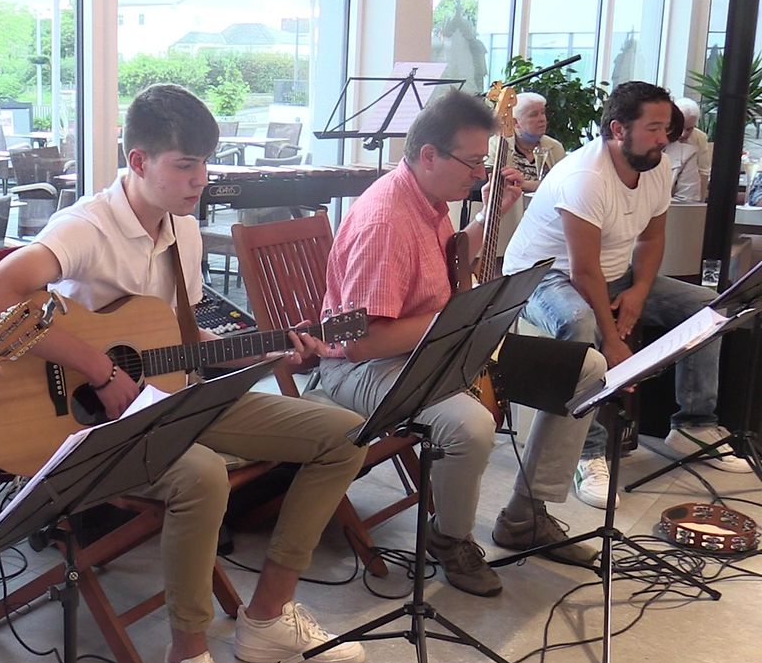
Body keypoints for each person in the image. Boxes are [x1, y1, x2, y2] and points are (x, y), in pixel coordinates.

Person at [0, 84, 370, 663]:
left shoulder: (183, 230)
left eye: (205, 163)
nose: (199, 179)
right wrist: (99, 367)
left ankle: (267, 615)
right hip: (79, 424)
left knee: (347, 434)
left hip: (167, 399)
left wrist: (273, 351)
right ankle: (187, 653)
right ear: (138, 161)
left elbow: (183, 340)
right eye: (184, 165)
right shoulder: (86, 227)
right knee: (202, 475)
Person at [318, 89, 605, 598]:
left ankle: (525, 514)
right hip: (366, 367)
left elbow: (447, 261)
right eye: (472, 162)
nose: (479, 173)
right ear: (429, 155)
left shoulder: (429, 200)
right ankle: (449, 539)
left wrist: (488, 217)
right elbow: (362, 343)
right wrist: (459, 321)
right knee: (470, 424)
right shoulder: (385, 220)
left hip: (438, 343)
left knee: (587, 369)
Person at [503, 81, 753, 512]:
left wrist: (638, 290)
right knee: (579, 322)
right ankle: (587, 453)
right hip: (542, 277)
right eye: (654, 128)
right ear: (619, 129)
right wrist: (614, 341)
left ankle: (694, 424)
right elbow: (583, 271)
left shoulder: (655, 165)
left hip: (614, 275)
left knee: (704, 307)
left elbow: (652, 240)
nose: (664, 138)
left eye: (666, 128)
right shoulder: (585, 177)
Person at [486, 91, 568, 265]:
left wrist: (525, 184)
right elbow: (496, 182)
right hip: (509, 221)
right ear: (515, 122)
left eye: (543, 113)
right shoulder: (497, 144)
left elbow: (563, 186)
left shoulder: (554, 147)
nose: (542, 119)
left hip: (545, 222)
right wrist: (537, 185)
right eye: (533, 115)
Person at [674, 97, 712, 200]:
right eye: (680, 127)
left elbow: (703, 172)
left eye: (689, 129)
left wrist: (699, 203)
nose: (683, 134)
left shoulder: (700, 138)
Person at [665, 102, 702, 202]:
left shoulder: (690, 152)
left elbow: (688, 201)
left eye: (689, 129)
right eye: (653, 128)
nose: (683, 134)